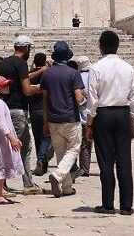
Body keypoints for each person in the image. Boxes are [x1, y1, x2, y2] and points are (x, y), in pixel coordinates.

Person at [86, 30, 134, 216]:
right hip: (123, 114)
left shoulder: (96, 68)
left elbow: (92, 100)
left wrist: (89, 125)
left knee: (105, 161)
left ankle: (108, 204)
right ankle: (126, 206)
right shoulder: (128, 68)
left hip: (104, 115)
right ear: (117, 46)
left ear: (101, 46)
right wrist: (131, 122)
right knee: (124, 160)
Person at [0, 35, 46, 195]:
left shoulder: (5, 62)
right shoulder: (21, 63)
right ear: (26, 48)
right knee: (12, 147)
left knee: (25, 146)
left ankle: (28, 183)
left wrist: (41, 71)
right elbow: (26, 89)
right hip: (18, 110)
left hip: (6, 107)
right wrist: (41, 87)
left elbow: (21, 79)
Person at [41, 41, 84, 198]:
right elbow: (79, 98)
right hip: (70, 118)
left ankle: (66, 188)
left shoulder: (47, 74)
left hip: (53, 118)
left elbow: (44, 100)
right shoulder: (73, 73)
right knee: (73, 149)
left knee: (60, 152)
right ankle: (58, 175)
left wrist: (45, 121)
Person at [0, 75, 23, 204]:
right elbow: (2, 124)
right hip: (1, 139)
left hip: (2, 138)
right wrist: (12, 138)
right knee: (0, 164)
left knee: (1, 164)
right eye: (4, 85)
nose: (7, 86)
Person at [27, 51, 53, 177]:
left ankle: (41, 163)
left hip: (33, 110)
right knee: (46, 137)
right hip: (45, 109)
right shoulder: (47, 74)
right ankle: (42, 160)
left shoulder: (30, 75)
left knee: (38, 137)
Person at [74, 56, 93, 178]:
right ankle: (85, 168)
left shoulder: (76, 77)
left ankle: (74, 167)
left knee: (74, 144)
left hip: (76, 115)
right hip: (89, 114)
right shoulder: (92, 77)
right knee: (86, 143)